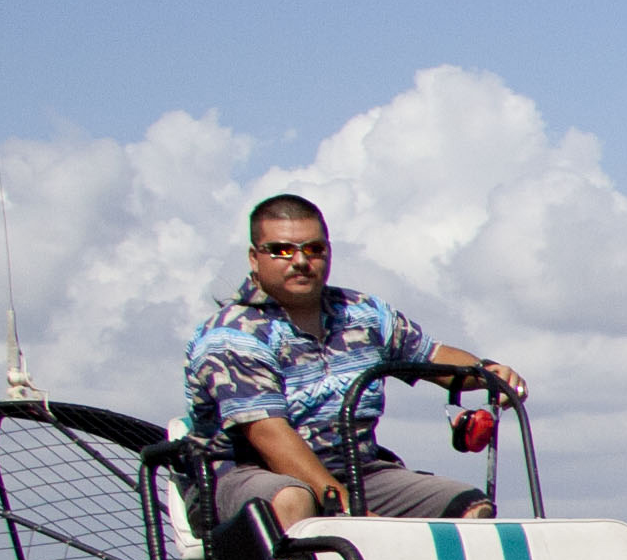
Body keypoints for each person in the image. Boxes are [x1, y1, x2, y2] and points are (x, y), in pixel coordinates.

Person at [183, 194, 532, 527]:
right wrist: (348, 507)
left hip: (359, 470)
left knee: (470, 507)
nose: (301, 261)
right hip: (248, 477)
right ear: (254, 257)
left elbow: (432, 356)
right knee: (294, 499)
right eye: (282, 250)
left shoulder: (363, 312)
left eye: (314, 249)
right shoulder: (231, 334)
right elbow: (269, 436)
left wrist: (487, 374)